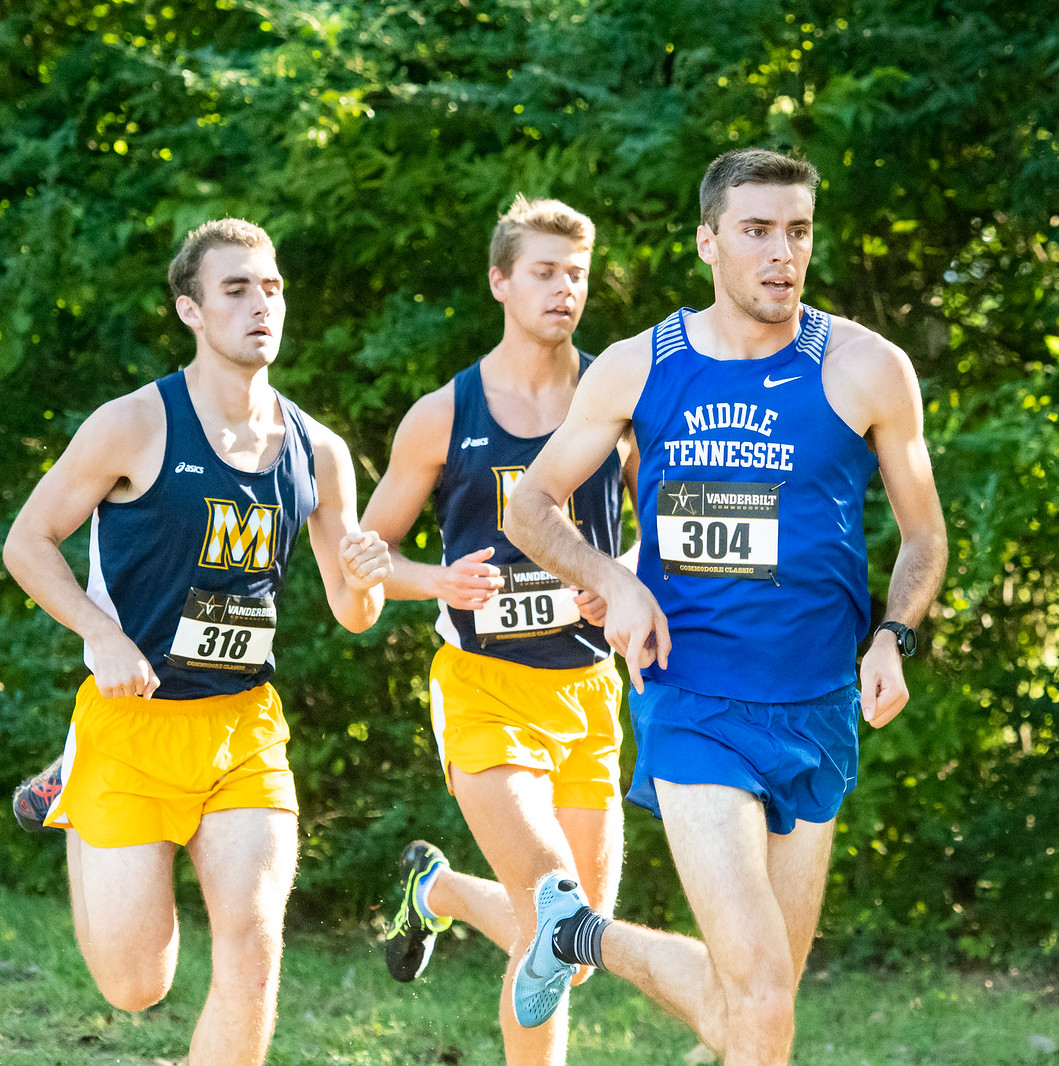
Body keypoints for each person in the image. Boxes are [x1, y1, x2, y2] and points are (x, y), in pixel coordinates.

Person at [499, 148, 947, 1066]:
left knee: (751, 1014)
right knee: (764, 994)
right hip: (694, 698)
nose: (781, 253)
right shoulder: (637, 367)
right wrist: (617, 581)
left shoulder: (868, 368)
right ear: (708, 242)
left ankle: (577, 934)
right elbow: (529, 507)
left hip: (819, 708)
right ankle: (580, 934)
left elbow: (925, 537)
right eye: (756, 231)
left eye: (797, 231)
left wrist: (893, 638)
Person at [1, 218, 392, 1066]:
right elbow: (26, 542)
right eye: (237, 289)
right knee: (135, 987)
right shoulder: (133, 424)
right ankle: (79, 774)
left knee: (252, 952)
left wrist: (365, 571)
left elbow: (354, 613)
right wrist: (101, 635)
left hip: (242, 727)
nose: (262, 304)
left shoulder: (319, 453)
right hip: (131, 723)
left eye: (273, 287)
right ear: (191, 309)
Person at [360, 196, 635, 1065]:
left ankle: (433, 888)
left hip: (589, 693)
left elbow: (665, 530)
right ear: (500, 281)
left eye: (578, 275)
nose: (565, 290)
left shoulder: (615, 402)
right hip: (483, 688)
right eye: (546, 273)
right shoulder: (442, 416)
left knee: (577, 944)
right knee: (556, 915)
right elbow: (363, 559)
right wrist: (433, 580)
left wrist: (618, 579)